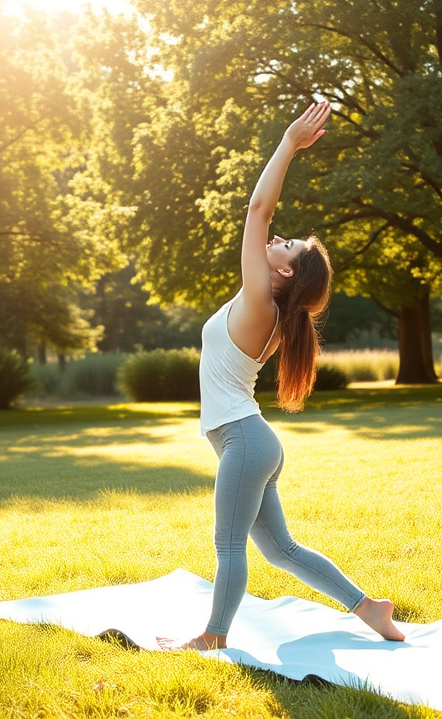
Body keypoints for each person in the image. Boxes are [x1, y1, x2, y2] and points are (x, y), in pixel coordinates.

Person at [158, 101, 405, 651]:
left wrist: (289, 143)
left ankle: (213, 636)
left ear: (285, 271)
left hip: (244, 442)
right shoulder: (265, 308)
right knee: (281, 550)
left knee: (229, 545)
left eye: (285, 245)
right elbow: (259, 222)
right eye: (281, 238)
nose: (274, 240)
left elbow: (257, 210)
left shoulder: (258, 304)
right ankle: (370, 608)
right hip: (250, 442)